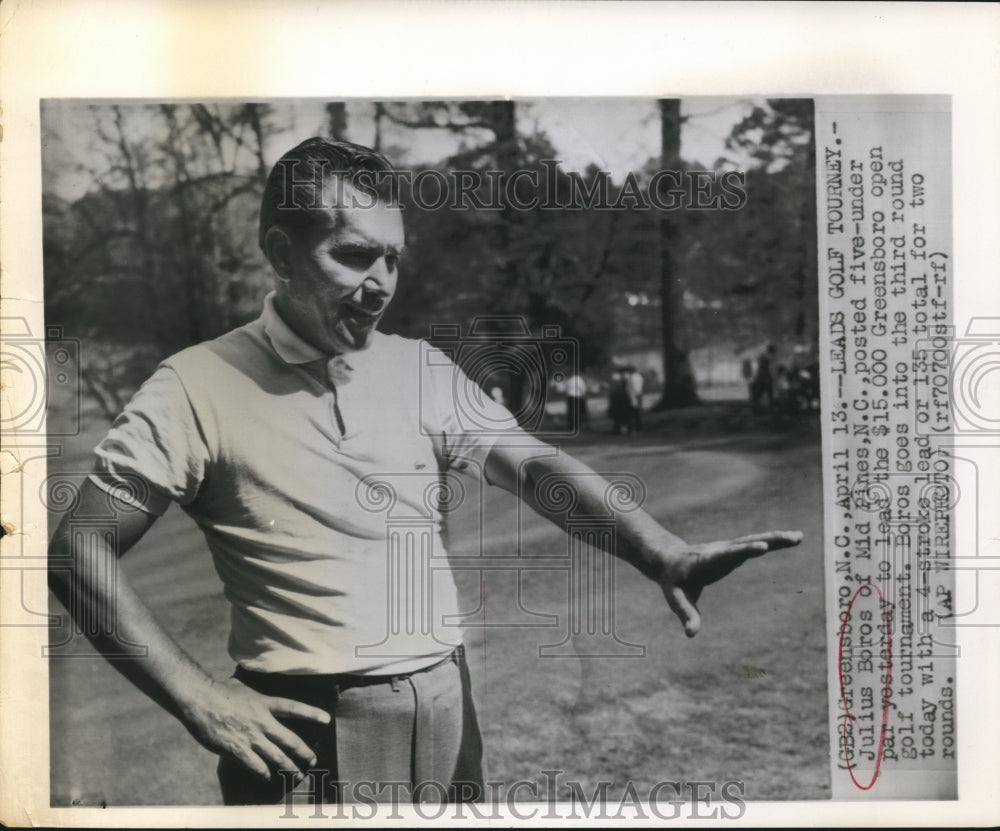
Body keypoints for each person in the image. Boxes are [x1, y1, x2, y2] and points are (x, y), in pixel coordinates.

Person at [48, 138, 802, 808]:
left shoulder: (419, 368)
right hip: (305, 726)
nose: (380, 283)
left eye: (393, 258)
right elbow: (77, 548)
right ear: (280, 251)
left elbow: (538, 469)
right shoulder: (194, 384)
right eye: (353, 255)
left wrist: (659, 550)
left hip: (447, 702)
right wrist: (200, 699)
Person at [626, 366, 644, 433]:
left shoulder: (631, 378)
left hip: (633, 395)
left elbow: (632, 388)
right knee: (638, 411)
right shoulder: (639, 376)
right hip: (638, 395)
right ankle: (639, 427)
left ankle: (632, 428)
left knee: (631, 413)